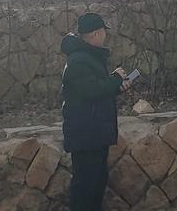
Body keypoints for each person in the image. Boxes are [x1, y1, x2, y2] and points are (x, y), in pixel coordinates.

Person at [62, 13, 130, 211]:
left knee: (97, 182)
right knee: (85, 185)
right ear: (94, 34)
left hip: (94, 132)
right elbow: (92, 90)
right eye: (103, 32)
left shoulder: (88, 57)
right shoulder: (78, 61)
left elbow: (96, 88)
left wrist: (116, 86)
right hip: (85, 134)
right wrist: (115, 79)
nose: (105, 37)